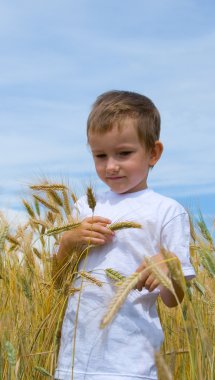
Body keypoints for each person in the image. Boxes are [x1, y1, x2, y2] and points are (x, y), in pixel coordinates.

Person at [54, 90, 195, 380]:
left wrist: (170, 268)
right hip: (73, 362)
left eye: (124, 153)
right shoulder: (86, 206)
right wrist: (68, 242)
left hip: (131, 364)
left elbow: (174, 300)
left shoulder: (167, 211)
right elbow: (58, 283)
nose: (111, 166)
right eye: (100, 156)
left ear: (153, 153)